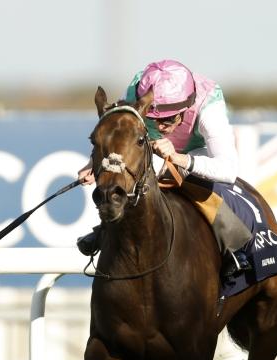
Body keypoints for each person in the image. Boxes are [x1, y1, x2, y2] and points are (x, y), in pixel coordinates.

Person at [76, 59, 252, 276]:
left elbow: (228, 169)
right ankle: (106, 230)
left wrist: (178, 158)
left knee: (182, 174)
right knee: (129, 177)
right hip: (152, 151)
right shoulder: (136, 93)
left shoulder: (209, 107)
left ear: (186, 107)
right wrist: (92, 164)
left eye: (168, 120)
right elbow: (120, 137)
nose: (159, 126)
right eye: (153, 118)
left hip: (198, 153)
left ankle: (232, 244)